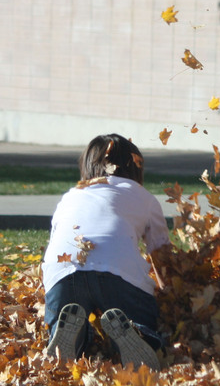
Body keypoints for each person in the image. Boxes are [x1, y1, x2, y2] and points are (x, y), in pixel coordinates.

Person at [42, 134, 171, 370]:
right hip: (118, 274)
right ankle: (137, 333)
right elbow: (161, 255)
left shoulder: (70, 196)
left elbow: (55, 246)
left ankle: (72, 337)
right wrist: (168, 292)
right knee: (139, 316)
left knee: (65, 312)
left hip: (63, 272)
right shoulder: (144, 198)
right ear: (135, 167)